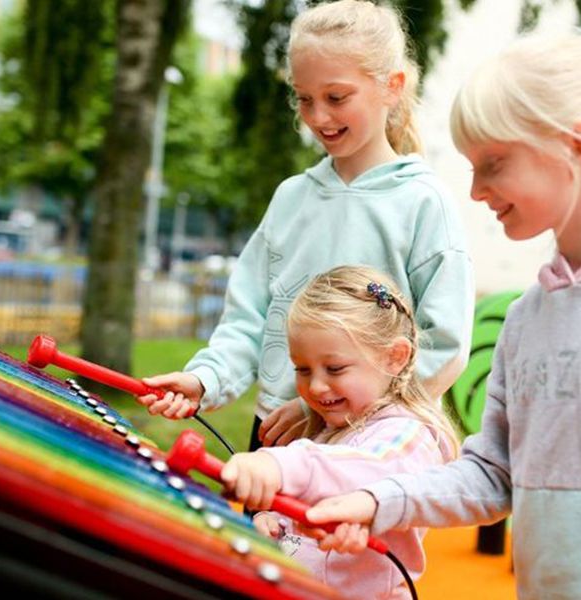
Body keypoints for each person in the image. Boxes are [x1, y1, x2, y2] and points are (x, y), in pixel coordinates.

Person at [303, 32, 581, 600]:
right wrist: (376, 500)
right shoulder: (527, 321)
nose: (476, 191)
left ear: (572, 146)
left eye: (494, 163)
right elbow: (492, 472)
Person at [137, 0, 474, 453]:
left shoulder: (424, 204)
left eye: (336, 97)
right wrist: (207, 378)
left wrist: (325, 405)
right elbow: (248, 316)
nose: (318, 117)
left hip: (369, 447)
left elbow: (443, 344)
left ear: (391, 87)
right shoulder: (291, 198)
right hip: (275, 437)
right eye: (304, 98)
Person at [220, 266, 460, 598]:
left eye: (334, 369)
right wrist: (273, 523)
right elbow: (306, 510)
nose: (315, 386)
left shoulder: (410, 438)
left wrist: (279, 466)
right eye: (302, 369)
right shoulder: (327, 430)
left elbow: (358, 471)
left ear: (395, 357)